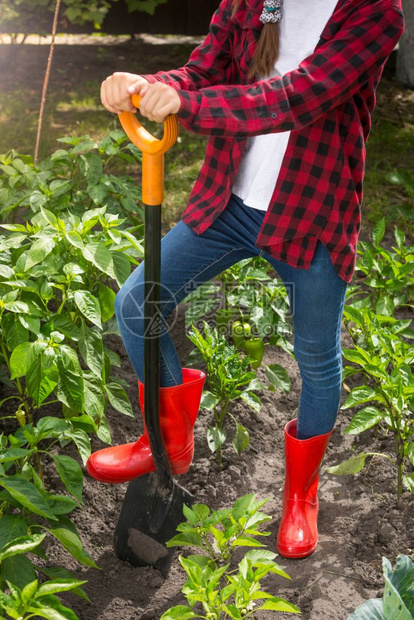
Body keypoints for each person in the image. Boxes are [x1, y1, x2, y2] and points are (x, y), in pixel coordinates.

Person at [86, 0, 405, 558]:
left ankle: (301, 496)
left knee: (315, 357)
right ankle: (169, 440)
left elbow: (298, 97)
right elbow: (203, 72)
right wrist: (149, 85)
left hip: (310, 215)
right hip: (228, 201)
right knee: (138, 303)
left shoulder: (375, 11)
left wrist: (189, 103)